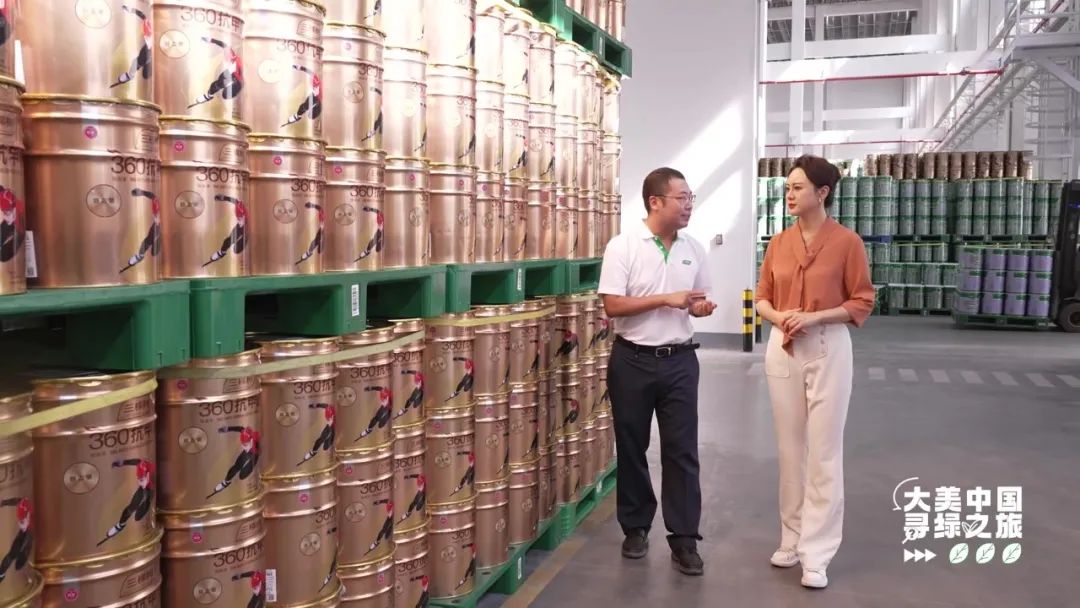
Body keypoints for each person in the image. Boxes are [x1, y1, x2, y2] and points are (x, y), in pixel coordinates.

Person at [754, 155, 875, 589]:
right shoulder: (778, 243)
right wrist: (780, 317)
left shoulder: (847, 243)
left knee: (823, 452)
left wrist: (816, 316)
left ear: (822, 193)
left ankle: (817, 553)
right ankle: (791, 537)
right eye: (787, 187)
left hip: (827, 347)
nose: (789, 194)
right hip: (783, 347)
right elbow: (762, 298)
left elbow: (861, 301)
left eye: (798, 187)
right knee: (790, 450)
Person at [597, 167, 717, 576]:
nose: (689, 205)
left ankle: (684, 538)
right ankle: (635, 527)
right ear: (655, 202)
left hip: (680, 361)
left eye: (691, 198)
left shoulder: (694, 248)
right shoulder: (624, 246)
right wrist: (666, 298)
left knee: (682, 450)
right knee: (631, 446)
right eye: (682, 198)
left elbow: (696, 300)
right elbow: (612, 305)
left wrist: (700, 307)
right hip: (632, 360)